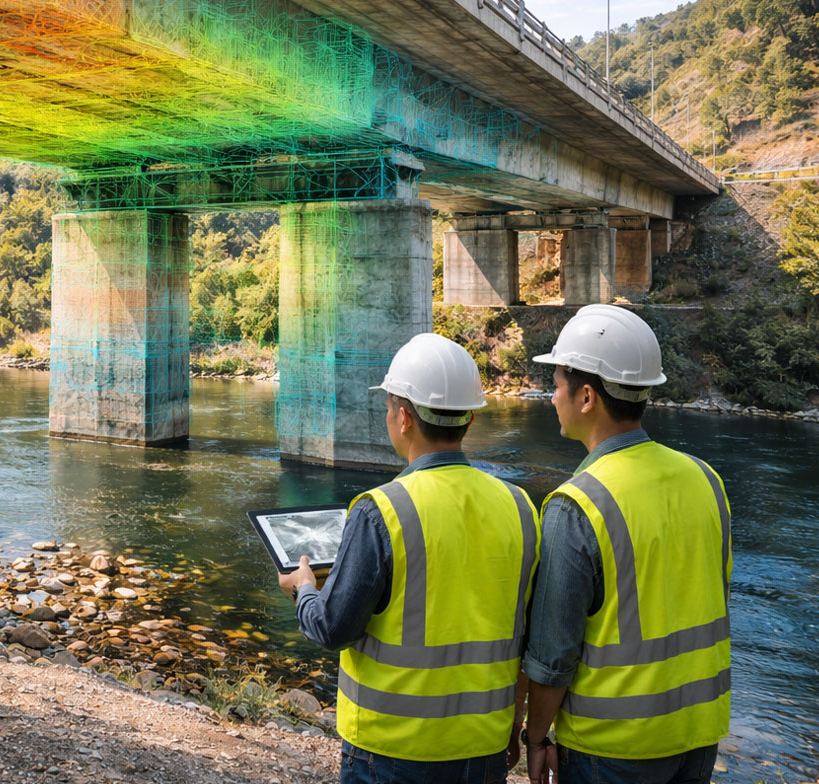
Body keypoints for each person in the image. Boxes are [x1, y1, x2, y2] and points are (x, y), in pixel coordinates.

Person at [279, 333, 540, 783]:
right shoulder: (521, 506)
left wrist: (304, 588)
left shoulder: (381, 510)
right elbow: (531, 636)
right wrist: (517, 722)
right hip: (484, 743)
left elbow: (332, 628)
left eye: (387, 408)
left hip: (393, 750)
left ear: (403, 417)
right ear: (470, 419)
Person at [522, 304, 731, 784]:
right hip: (699, 733)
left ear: (587, 396)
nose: (552, 397)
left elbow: (554, 655)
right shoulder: (706, 479)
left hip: (614, 746)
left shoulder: (577, 504)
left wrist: (536, 738)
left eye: (556, 385)